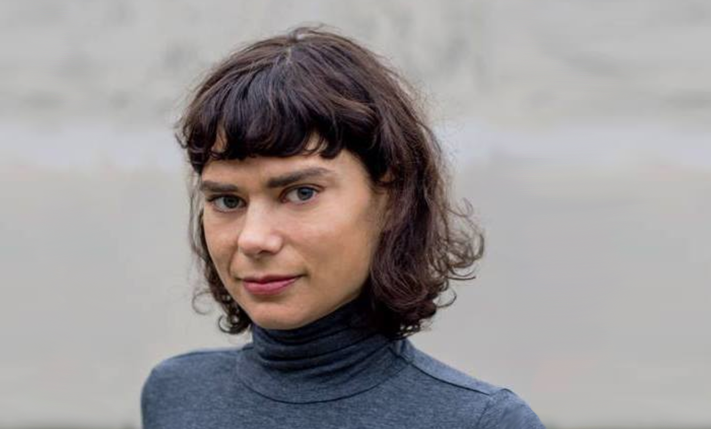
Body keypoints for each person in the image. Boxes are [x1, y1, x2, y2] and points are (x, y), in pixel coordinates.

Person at [141, 25, 546, 429]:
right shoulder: (176, 395)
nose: (253, 239)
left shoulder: (480, 422)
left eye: (300, 193)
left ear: (390, 196)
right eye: (228, 201)